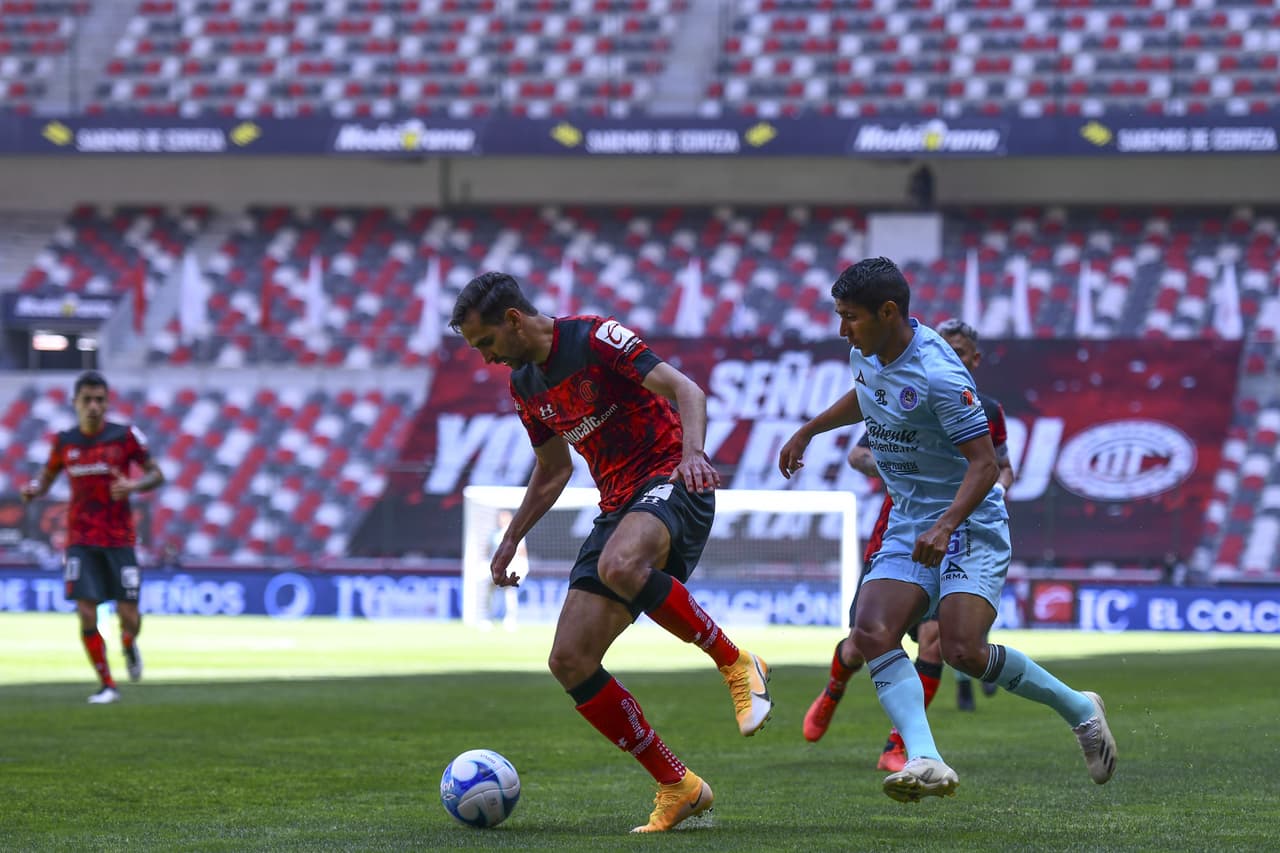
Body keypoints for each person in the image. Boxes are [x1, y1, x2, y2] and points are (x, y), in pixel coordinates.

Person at [779, 258, 1115, 802]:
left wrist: (947, 524)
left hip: (970, 522)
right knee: (870, 630)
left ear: (889, 312)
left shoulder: (940, 373)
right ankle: (926, 758)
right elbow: (866, 393)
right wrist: (810, 430)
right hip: (911, 519)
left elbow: (985, 466)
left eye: (851, 317)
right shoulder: (867, 349)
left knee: (962, 650)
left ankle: (1079, 708)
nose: (843, 330)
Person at [449, 272, 772, 833]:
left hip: (671, 479)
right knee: (568, 660)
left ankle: (736, 661)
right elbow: (553, 470)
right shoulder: (525, 385)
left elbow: (687, 390)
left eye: (487, 343)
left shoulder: (596, 338)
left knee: (619, 565)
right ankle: (679, 786)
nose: (487, 358)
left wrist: (693, 455)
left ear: (512, 319)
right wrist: (511, 537)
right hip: (619, 505)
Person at [802, 318, 1016, 774]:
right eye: (947, 348)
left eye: (962, 352)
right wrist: (899, 466)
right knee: (865, 640)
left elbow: (998, 466)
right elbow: (860, 452)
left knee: (936, 642)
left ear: (974, 360)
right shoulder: (898, 386)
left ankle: (902, 746)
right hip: (902, 529)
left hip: (957, 532)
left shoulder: (986, 409)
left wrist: (992, 492)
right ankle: (834, 689)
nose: (953, 357)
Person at [20, 371, 165, 704]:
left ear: (107, 402)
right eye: (87, 400)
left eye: (100, 399)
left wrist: (134, 485)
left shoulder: (125, 437)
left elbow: (157, 474)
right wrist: (34, 490)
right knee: (86, 612)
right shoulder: (64, 442)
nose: (94, 406)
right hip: (81, 541)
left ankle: (128, 643)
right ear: (75, 403)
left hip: (120, 540)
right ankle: (107, 684)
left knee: (129, 616)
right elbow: (47, 476)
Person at [483, 510, 525, 632]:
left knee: (510, 594)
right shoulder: (494, 534)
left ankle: (510, 620)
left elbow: (522, 553)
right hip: (495, 569)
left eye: (504, 518)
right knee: (489, 593)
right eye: (500, 518)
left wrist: (521, 568)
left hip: (511, 568)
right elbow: (488, 551)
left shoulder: (517, 535)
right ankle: (487, 619)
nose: (501, 521)